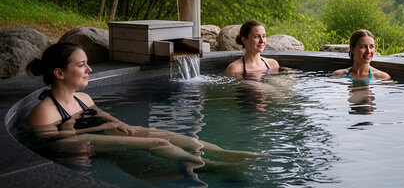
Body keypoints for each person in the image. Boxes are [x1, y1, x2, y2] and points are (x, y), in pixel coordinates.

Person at [27, 42, 266, 174]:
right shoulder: (45, 111)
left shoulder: (84, 99)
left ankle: (224, 152)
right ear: (60, 73)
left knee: (166, 134)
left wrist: (120, 124)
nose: (90, 69)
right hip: (80, 142)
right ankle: (215, 167)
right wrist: (101, 128)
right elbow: (53, 142)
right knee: (156, 143)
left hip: (98, 132)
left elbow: (103, 116)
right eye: (82, 65)